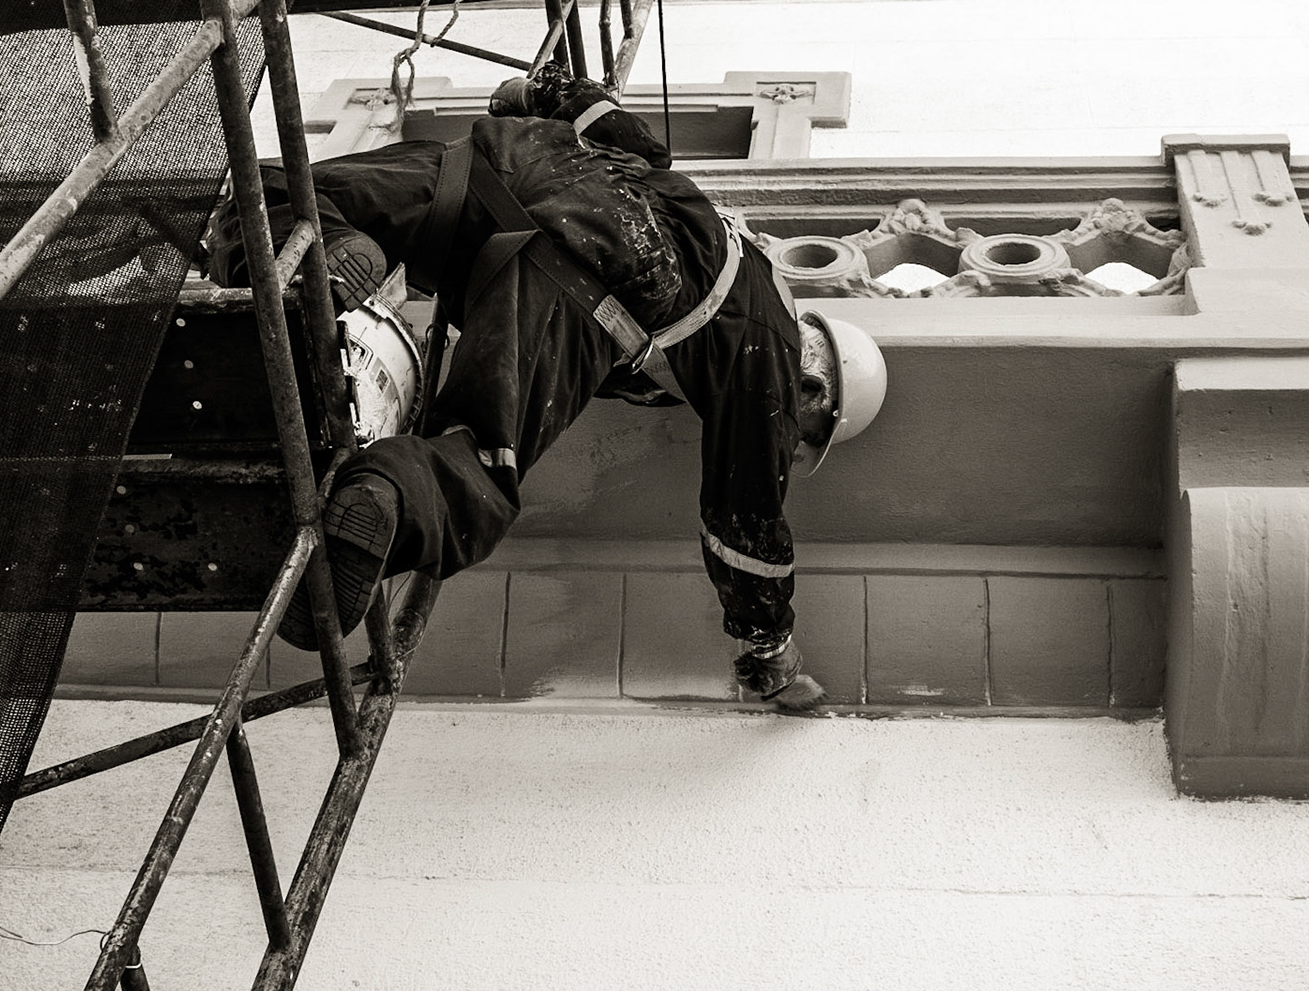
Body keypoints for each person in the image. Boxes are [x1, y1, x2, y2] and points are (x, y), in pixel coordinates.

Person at [207, 67, 886, 710]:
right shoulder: (769, 346)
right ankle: (388, 496)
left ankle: (329, 250)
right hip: (573, 270)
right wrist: (771, 648)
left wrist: (536, 90)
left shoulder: (712, 225)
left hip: (494, 166)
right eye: (804, 435)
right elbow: (746, 513)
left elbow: (629, 134)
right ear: (811, 387)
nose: (790, 445)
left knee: (273, 200)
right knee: (476, 466)